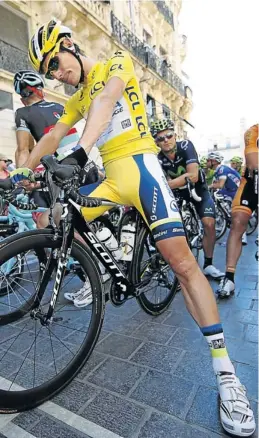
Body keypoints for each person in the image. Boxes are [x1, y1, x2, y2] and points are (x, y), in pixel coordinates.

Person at [10, 19, 255, 436]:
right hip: (111, 180)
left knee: (181, 265)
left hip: (142, 170)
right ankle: (105, 266)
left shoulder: (115, 63)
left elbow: (106, 101)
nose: (56, 74)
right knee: (56, 219)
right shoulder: (75, 95)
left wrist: (81, 152)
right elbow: (52, 136)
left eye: (54, 62)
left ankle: (227, 375)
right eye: (49, 72)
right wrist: (20, 174)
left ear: (68, 44)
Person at [153, 119, 224, 279]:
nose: (166, 140)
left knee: (209, 223)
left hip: (198, 189)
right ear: (156, 142)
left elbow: (193, 176)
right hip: (178, 193)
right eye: (160, 138)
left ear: (175, 135)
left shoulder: (186, 146)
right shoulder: (157, 158)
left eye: (169, 135)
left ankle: (208, 264)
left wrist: (167, 184)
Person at [13, 69, 80, 228]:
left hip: (62, 174)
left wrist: (23, 177)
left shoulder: (23, 113)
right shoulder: (58, 106)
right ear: (40, 90)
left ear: (22, 98)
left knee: (44, 224)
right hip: (82, 165)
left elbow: (23, 149)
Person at [217, 124, 258, 298]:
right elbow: (254, 163)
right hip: (251, 181)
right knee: (237, 222)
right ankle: (229, 278)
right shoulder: (253, 132)